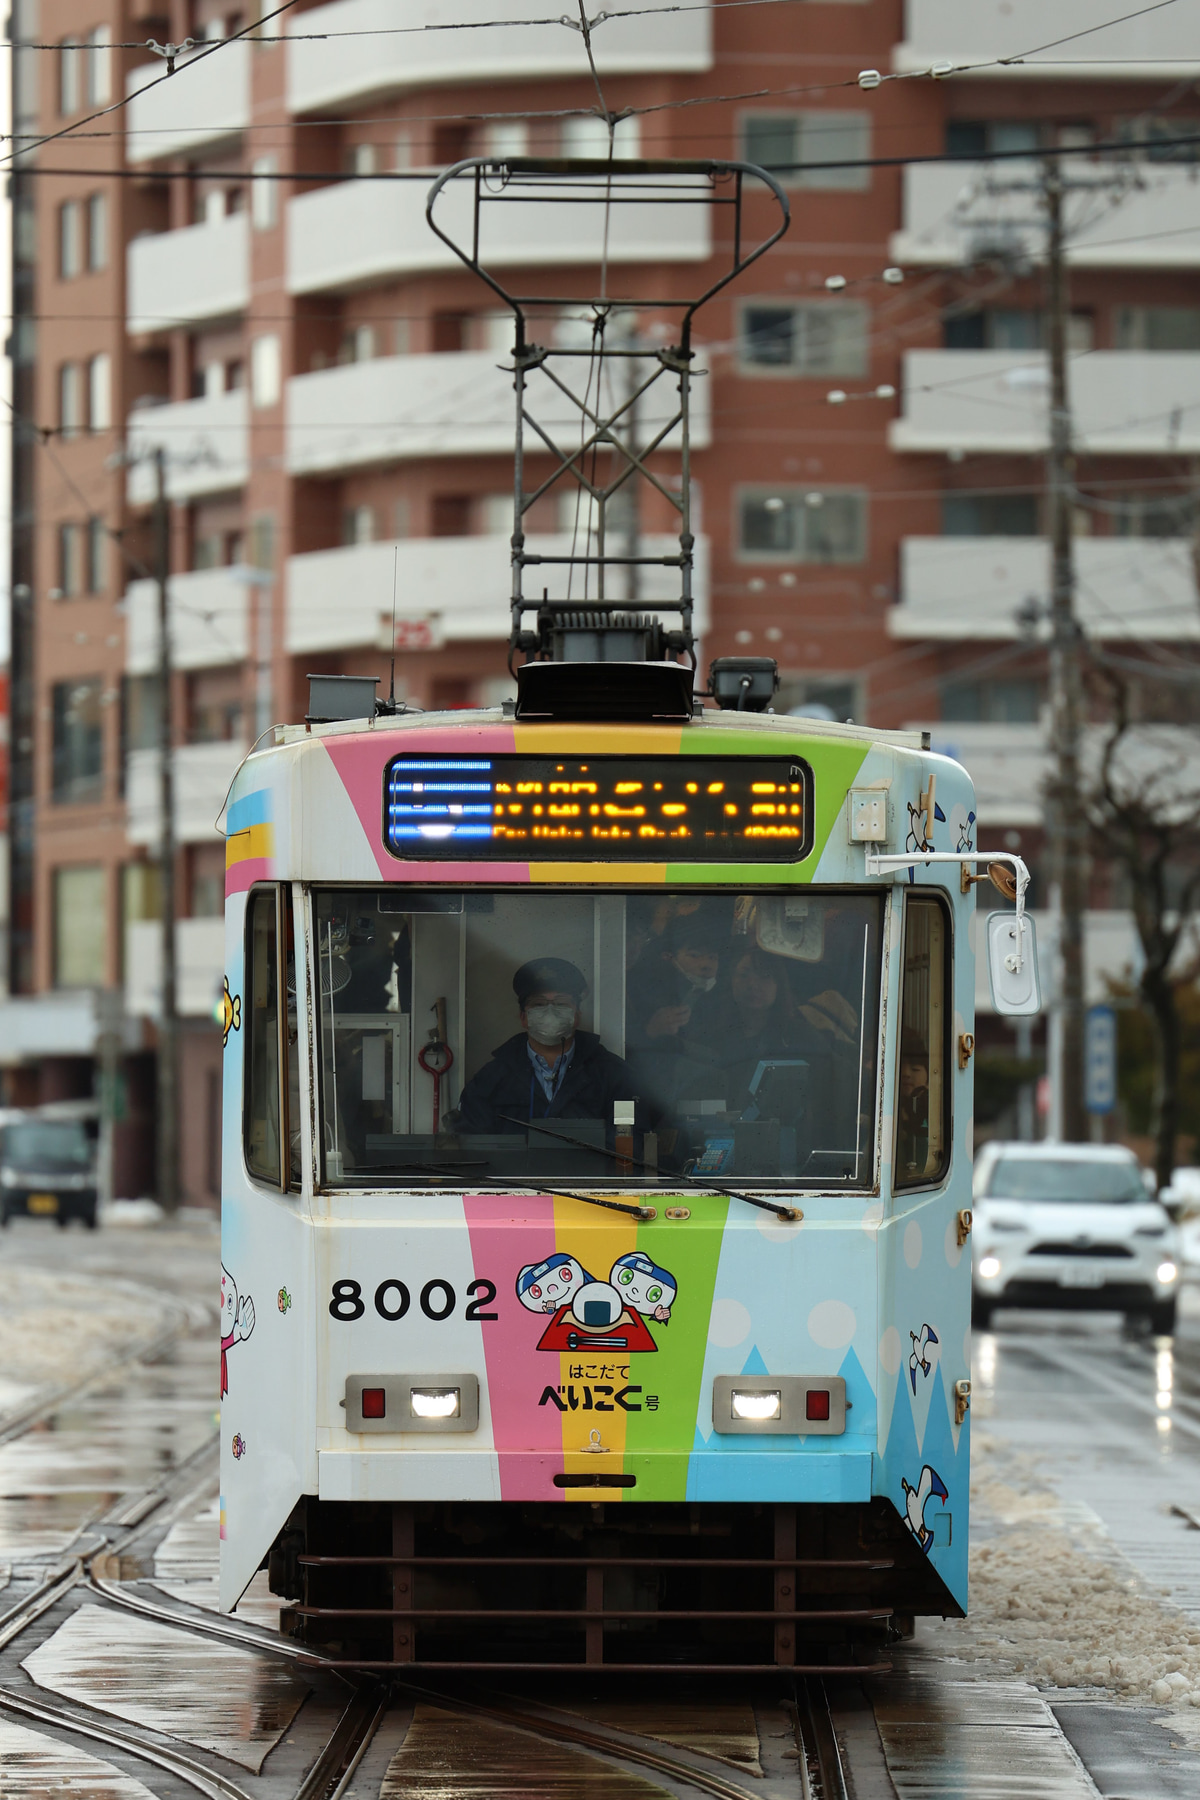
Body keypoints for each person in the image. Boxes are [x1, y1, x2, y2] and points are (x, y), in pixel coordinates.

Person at [456, 957, 636, 1134]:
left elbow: (629, 1140)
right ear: (523, 1018)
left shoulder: (614, 1074)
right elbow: (473, 1146)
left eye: (561, 1003)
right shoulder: (490, 1079)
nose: (550, 1012)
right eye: (539, 1004)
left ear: (577, 1016)